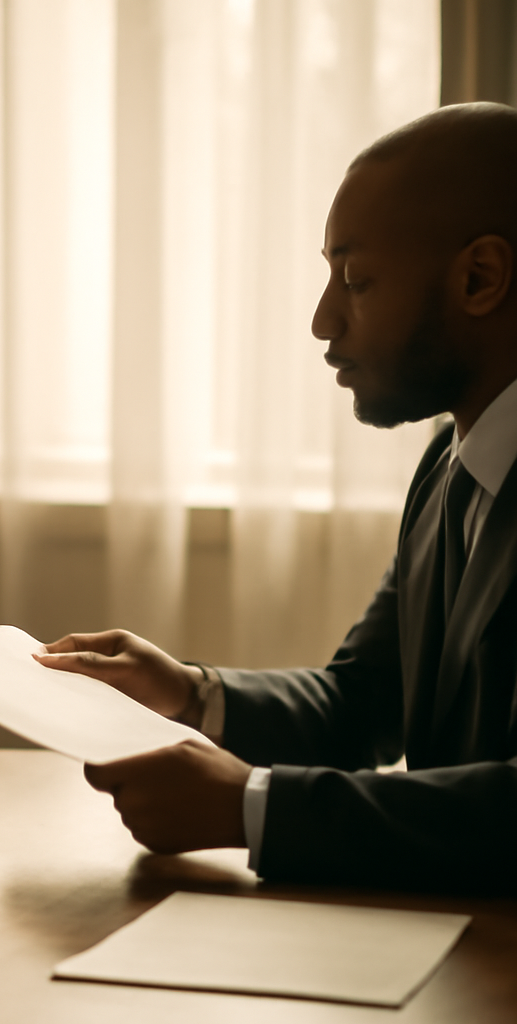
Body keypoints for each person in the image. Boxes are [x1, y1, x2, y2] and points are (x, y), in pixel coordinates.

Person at [37, 101, 517, 893]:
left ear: (480, 278)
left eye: (357, 281)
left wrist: (253, 808)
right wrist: (190, 694)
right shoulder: (450, 468)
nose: (325, 319)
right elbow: (360, 703)